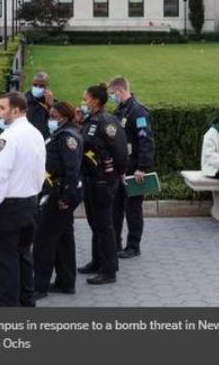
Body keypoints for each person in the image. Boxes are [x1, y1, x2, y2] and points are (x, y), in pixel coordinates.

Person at [0, 92, 46, 306]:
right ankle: (27, 304)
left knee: (2, 265)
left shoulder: (8, 136)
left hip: (7, 208)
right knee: (23, 258)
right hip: (29, 203)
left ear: (16, 110)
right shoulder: (36, 133)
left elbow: (1, 175)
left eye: (2, 108)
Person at [77, 84, 129, 286]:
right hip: (91, 179)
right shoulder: (90, 120)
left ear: (96, 101)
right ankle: (97, 261)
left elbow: (120, 150)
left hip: (104, 180)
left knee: (104, 225)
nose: (84, 101)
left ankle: (109, 270)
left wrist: (121, 172)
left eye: (86, 98)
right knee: (95, 223)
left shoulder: (107, 122)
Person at [33, 101, 83, 300]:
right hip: (60, 193)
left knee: (44, 240)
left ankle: (39, 286)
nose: (50, 120)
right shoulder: (63, 133)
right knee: (63, 239)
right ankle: (66, 282)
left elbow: (72, 170)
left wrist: (65, 197)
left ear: (64, 116)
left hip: (59, 195)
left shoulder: (67, 137)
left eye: (53, 117)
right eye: (50, 116)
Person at [107, 76, 154, 260]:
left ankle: (133, 246)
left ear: (120, 91)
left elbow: (145, 141)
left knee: (133, 208)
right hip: (121, 168)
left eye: (112, 94)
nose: (112, 97)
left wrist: (142, 167)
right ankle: (116, 243)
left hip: (134, 168)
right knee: (116, 207)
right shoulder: (121, 110)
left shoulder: (138, 112)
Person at [25, 71, 54, 139]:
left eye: (41, 86)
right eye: (35, 85)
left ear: (47, 87)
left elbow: (56, 122)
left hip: (43, 139)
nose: (38, 87)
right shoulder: (23, 100)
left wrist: (50, 105)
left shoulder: (53, 103)